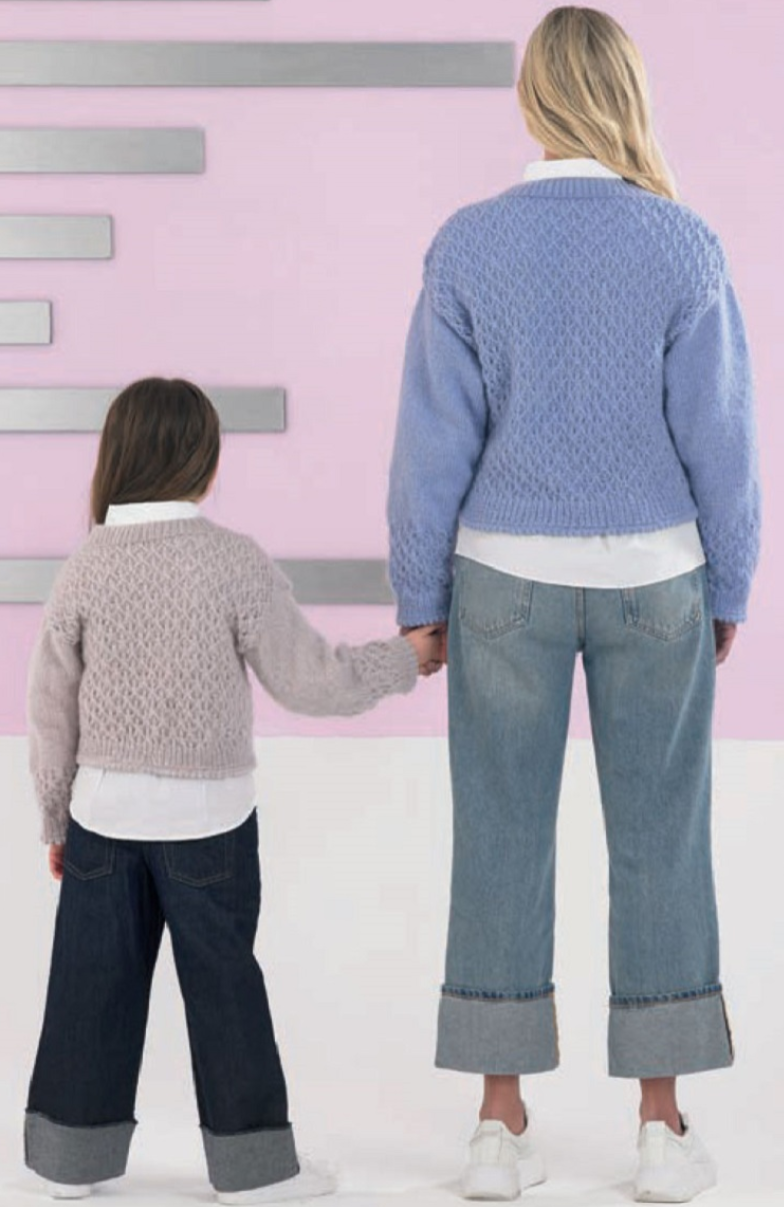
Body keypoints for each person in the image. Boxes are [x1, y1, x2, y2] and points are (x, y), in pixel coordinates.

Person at [387, 6, 760, 1203]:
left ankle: (497, 1126)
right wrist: (731, 580)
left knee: (500, 832)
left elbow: (431, 444)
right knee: (663, 839)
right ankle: (660, 1124)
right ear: (629, 96)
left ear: (533, 98)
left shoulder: (468, 245)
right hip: (656, 578)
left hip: (503, 580)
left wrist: (419, 596)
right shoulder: (684, 245)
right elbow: (724, 443)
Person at [24, 377, 441, 1204]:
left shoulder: (85, 567)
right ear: (202, 462)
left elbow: (49, 705)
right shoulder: (232, 562)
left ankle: (70, 1161)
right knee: (224, 989)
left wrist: (54, 816)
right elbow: (310, 680)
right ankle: (252, 1169)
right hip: (208, 820)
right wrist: (407, 659)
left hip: (102, 815)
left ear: (116, 456)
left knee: (89, 985)